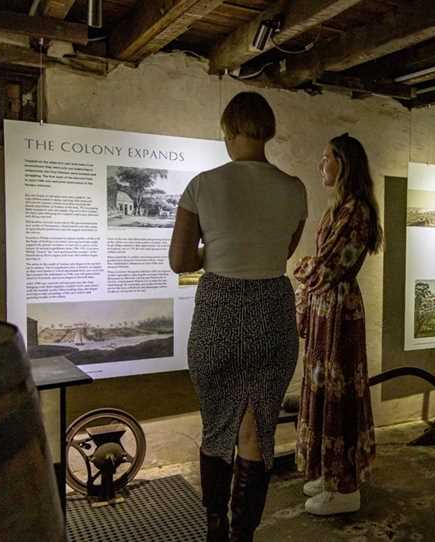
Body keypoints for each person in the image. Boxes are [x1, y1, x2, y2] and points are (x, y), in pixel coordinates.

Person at [169, 91, 307, 542]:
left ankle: (215, 531)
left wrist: (219, 248)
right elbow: (282, 252)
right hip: (272, 312)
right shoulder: (294, 188)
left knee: (216, 429)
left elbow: (180, 260)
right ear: (266, 133)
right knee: (256, 429)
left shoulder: (202, 184)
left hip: (219, 312)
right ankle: (242, 535)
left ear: (229, 132)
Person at [294, 133, 382, 516]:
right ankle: (328, 473)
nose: (321, 165)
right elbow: (320, 268)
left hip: (339, 313)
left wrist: (303, 268)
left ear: (343, 164)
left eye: (326, 157)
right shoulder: (339, 209)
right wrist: (311, 270)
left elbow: (325, 267)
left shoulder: (356, 211)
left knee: (338, 393)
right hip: (327, 311)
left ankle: (344, 487)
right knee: (321, 388)